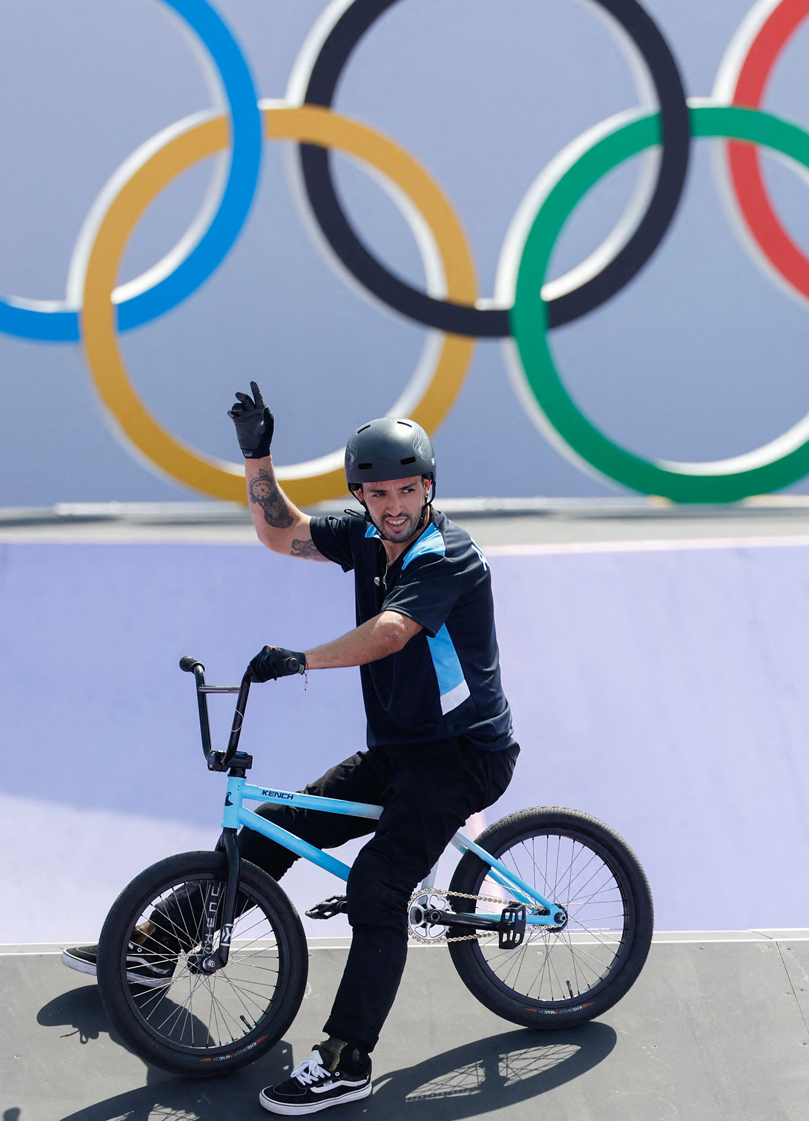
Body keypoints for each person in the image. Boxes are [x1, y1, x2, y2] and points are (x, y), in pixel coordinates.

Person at [63, 382, 517, 1115]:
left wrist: (302, 659)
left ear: (430, 487)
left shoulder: (446, 555)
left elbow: (392, 633)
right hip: (399, 752)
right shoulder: (366, 538)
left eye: (409, 489)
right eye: (378, 492)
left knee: (378, 884)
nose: (394, 504)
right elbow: (282, 532)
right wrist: (257, 457)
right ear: (361, 495)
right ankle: (155, 952)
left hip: (463, 756)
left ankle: (347, 1059)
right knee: (280, 830)